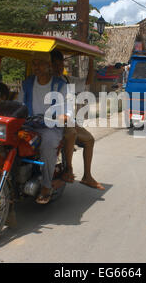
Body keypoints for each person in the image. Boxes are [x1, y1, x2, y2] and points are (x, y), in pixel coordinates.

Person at [50, 49, 105, 191]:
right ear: (48, 65)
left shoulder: (67, 80)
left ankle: (87, 176)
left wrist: (91, 59)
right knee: (71, 133)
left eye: (61, 64)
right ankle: (69, 168)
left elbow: (88, 80)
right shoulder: (45, 80)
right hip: (53, 120)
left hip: (68, 120)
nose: (58, 67)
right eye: (55, 64)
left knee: (89, 140)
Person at [17, 57, 68, 204]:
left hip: (50, 126)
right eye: (34, 63)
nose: (36, 66)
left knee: (48, 143)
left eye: (40, 62)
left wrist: (62, 116)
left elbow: (67, 110)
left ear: (49, 65)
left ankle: (46, 186)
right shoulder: (27, 84)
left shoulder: (61, 86)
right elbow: (18, 104)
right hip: (29, 125)